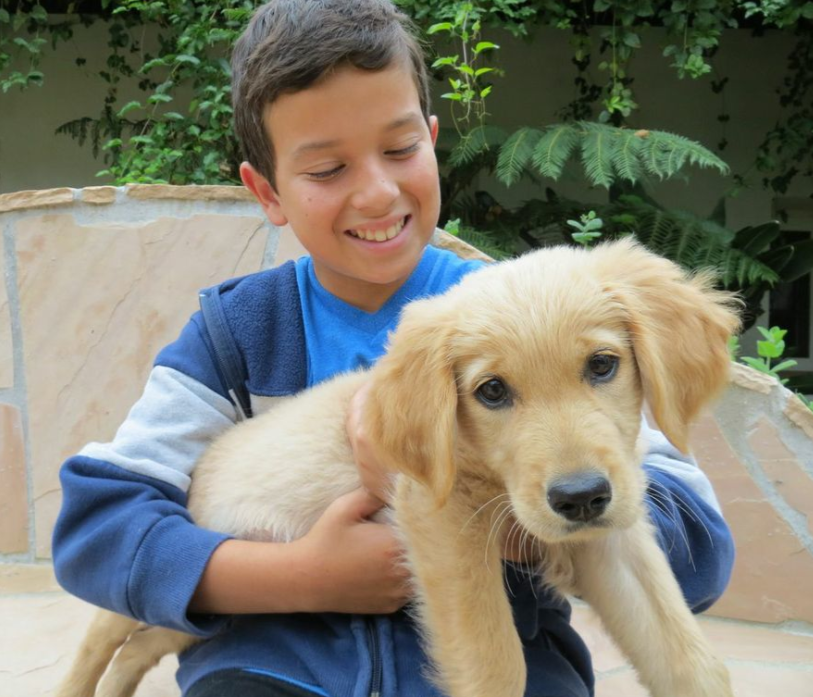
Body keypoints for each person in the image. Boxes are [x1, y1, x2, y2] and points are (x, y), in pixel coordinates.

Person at [52, 2, 735, 696]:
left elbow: (694, 557)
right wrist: (300, 578)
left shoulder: (536, 304)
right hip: (270, 661)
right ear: (267, 191)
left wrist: (521, 529)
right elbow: (99, 530)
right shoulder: (236, 332)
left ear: (432, 143)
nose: (376, 193)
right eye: (326, 168)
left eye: (400, 149)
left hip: (528, 666)